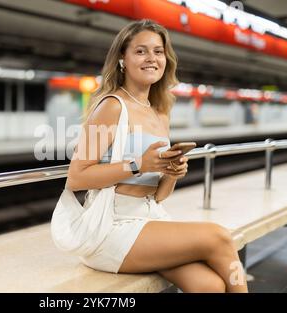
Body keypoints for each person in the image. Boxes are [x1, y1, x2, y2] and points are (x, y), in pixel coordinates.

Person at [66, 19, 248, 293]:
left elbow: (159, 195)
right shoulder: (111, 106)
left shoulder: (160, 112)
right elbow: (76, 178)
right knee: (219, 237)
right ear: (122, 59)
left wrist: (171, 173)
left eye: (158, 51)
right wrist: (137, 165)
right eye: (141, 51)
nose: (151, 58)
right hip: (111, 227)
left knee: (208, 286)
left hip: (150, 218)